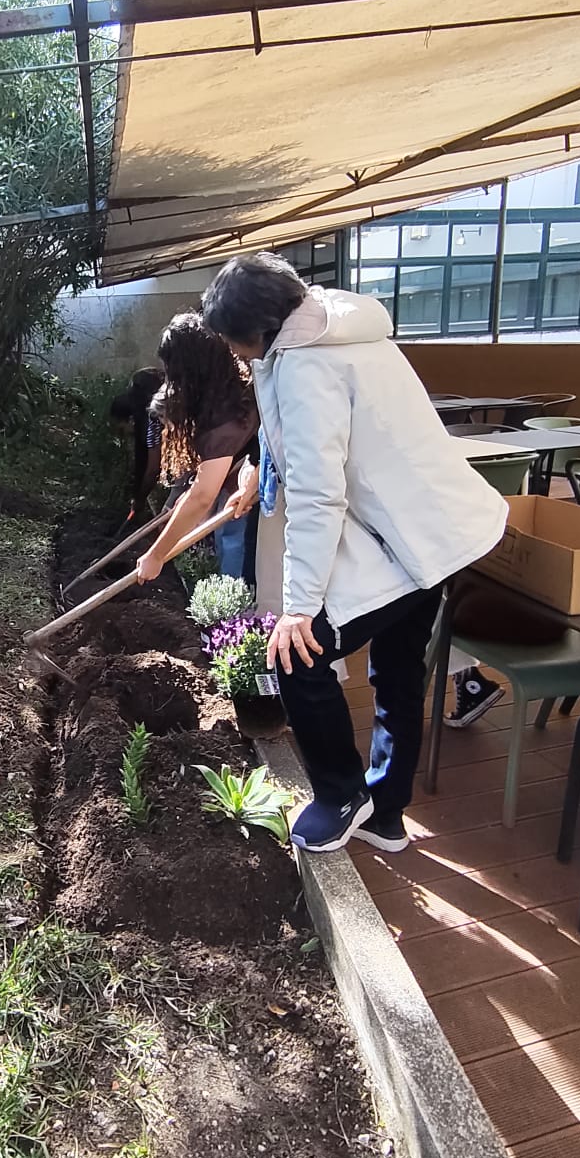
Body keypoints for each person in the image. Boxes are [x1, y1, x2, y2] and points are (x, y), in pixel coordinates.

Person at [203, 253, 505, 855]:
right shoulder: (343, 328)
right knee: (397, 672)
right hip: (431, 533)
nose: (234, 353)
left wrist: (297, 606)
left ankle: (340, 793)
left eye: (232, 340)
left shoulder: (305, 365)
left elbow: (319, 491)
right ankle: (386, 815)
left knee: (295, 653)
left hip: (405, 540)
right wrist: (260, 470)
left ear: (259, 330)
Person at [134, 313, 258, 587]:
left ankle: (233, 615)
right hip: (247, 479)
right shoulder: (233, 388)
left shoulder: (223, 416)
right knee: (230, 538)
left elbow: (203, 497)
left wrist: (156, 555)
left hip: (271, 490)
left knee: (234, 541)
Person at [108, 366, 164, 518]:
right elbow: (143, 461)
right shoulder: (146, 412)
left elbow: (152, 469)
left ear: (130, 420)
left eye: (121, 428)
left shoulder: (153, 420)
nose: (125, 434)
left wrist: (140, 498)